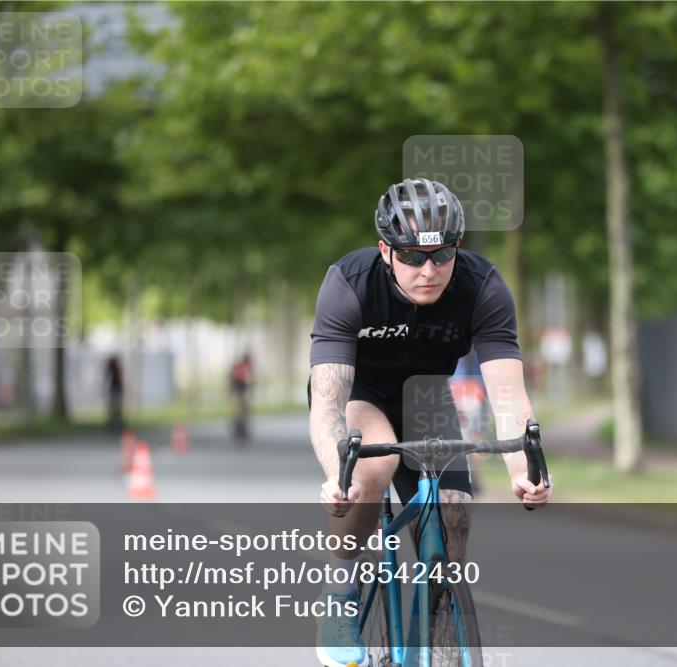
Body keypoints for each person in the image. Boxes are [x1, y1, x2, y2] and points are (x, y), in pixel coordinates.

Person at [308, 178, 553, 667]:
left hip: (426, 397)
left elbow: (506, 393)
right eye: (413, 257)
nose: (429, 270)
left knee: (454, 521)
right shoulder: (349, 283)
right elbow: (327, 403)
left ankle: (438, 642)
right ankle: (341, 592)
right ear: (385, 251)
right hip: (363, 395)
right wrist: (338, 476)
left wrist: (522, 472)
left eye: (443, 255)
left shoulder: (481, 286)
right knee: (368, 472)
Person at [230, 352, 253, 441]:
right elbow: (243, 381)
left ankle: (240, 431)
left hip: (239, 392)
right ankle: (240, 431)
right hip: (239, 392)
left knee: (241, 413)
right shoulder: (242, 367)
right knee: (241, 413)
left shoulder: (240, 367)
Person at [103, 355, 124, 430]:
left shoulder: (114, 370)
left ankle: (115, 422)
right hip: (115, 390)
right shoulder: (115, 370)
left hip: (115, 390)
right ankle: (115, 422)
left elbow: (106, 378)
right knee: (115, 407)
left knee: (114, 407)